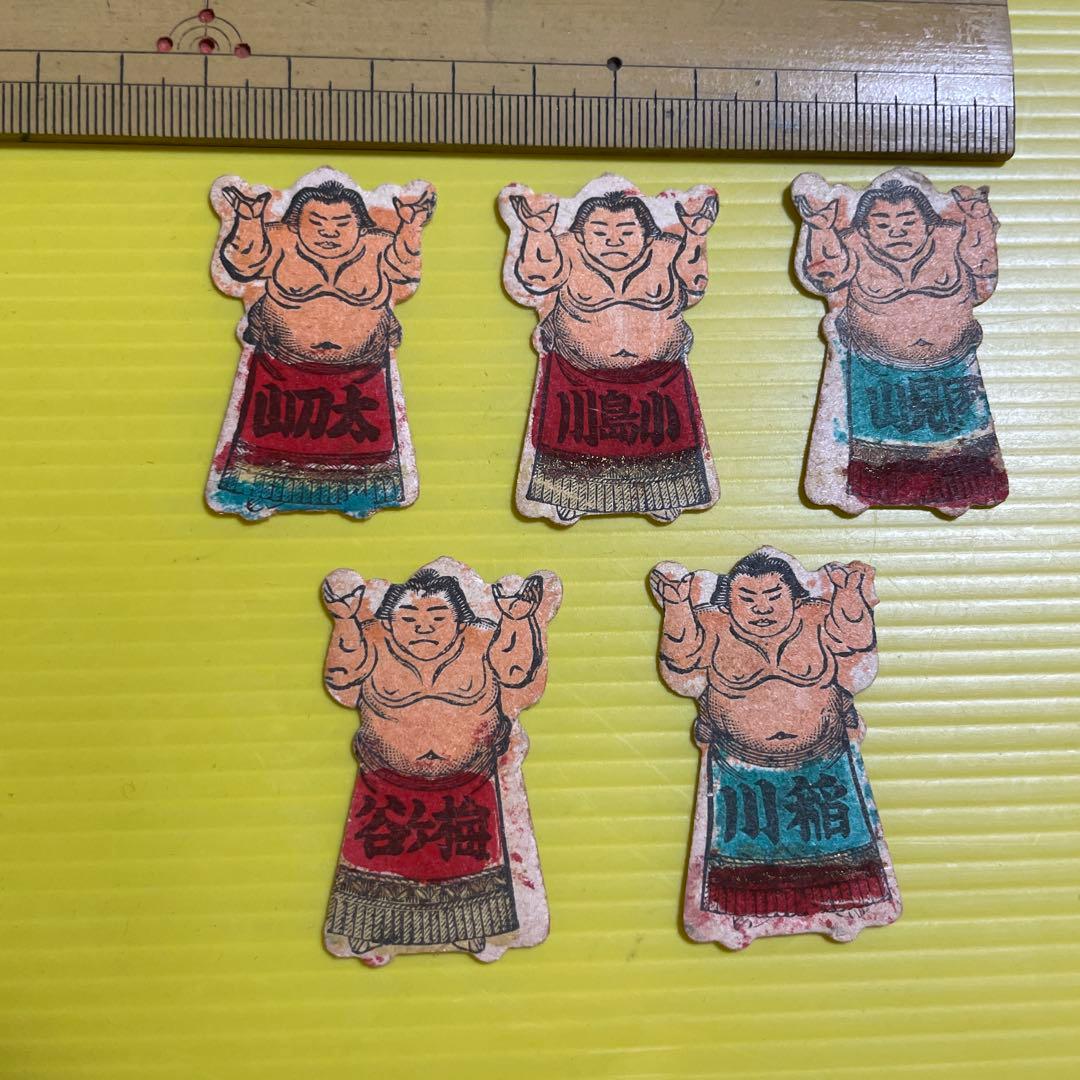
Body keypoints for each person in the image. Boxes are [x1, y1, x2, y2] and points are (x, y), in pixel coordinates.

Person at [651, 551, 900, 946]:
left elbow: (855, 646)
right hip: (742, 777)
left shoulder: (816, 617)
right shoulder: (713, 626)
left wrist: (849, 594)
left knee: (844, 864)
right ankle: (735, 923)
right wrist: (678, 605)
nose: (761, 607)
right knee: (741, 870)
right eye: (747, 598)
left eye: (773, 595)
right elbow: (681, 664)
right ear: (727, 603)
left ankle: (846, 912)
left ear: (795, 596)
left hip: (824, 770)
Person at [320, 566, 547, 959]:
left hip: (467, 789)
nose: (423, 627)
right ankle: (372, 930)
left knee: (469, 869)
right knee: (380, 867)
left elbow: (515, 671)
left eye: (437, 617)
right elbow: (341, 677)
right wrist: (344, 619)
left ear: (460, 622)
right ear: (389, 623)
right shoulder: (371, 642)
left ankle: (473, 929)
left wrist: (517, 619)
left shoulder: (481, 643)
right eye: (408, 618)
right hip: (386, 791)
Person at [208, 174, 435, 518]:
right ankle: (261, 493)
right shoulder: (281, 240)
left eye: (342, 223)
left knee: (362, 459)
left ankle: (362, 496)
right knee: (270, 453)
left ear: (360, 225)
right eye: (316, 222)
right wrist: (249, 218)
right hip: (282, 375)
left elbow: (404, 268)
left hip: (360, 379)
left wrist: (410, 226)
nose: (329, 231)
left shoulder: (377, 246)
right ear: (296, 224)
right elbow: (245, 263)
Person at [506, 185, 719, 522]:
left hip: (658, 382)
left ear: (647, 235)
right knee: (576, 443)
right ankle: (571, 496)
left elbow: (694, 281)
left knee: (661, 441)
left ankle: (663, 494)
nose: (614, 240)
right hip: (579, 379)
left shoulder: (666, 251)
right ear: (580, 236)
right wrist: (537, 230)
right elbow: (538, 276)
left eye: (627, 231)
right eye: (600, 232)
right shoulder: (566, 250)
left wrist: (695, 235)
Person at [796, 176, 1007, 511]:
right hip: (879, 379)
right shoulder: (851, 246)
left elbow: (983, 278)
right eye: (882, 224)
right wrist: (820, 227)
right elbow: (827, 275)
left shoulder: (953, 240)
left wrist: (978, 219)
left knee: (966, 468)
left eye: (909, 222)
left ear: (929, 223)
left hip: (953, 377)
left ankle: (958, 494)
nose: (897, 231)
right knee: (880, 471)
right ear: (865, 230)